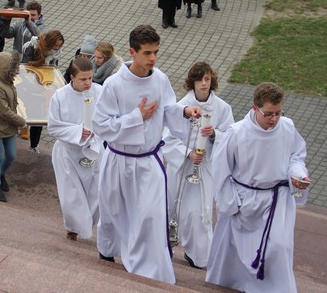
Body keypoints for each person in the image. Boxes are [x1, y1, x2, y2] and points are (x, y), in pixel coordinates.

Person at [92, 24, 201, 283]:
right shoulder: (114, 84)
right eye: (148, 53)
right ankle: (108, 252)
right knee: (113, 211)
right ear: (133, 51)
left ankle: (149, 267)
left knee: (151, 215)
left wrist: (183, 112)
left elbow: (169, 110)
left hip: (148, 161)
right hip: (119, 158)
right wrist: (135, 117)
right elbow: (100, 125)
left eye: (156, 52)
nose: (153, 58)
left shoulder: (160, 78)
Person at [206, 82, 311, 292]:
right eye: (269, 114)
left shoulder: (287, 127)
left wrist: (298, 175)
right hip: (244, 200)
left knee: (278, 247)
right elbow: (221, 171)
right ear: (255, 108)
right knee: (234, 251)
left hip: (276, 200)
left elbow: (296, 156)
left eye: (278, 113)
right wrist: (230, 204)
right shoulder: (236, 133)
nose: (274, 119)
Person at [161, 62, 234, 269]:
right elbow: (167, 138)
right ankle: (167, 244)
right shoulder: (181, 106)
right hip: (181, 168)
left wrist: (213, 135)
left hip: (204, 170)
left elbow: (229, 138)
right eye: (200, 79)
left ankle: (198, 255)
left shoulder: (222, 108)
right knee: (173, 209)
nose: (204, 83)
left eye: (208, 79)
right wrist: (188, 153)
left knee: (198, 213)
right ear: (192, 81)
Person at [49, 57, 103, 240]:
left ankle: (89, 224)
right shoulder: (60, 96)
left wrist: (95, 132)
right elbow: (53, 127)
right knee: (72, 194)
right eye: (83, 79)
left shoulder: (100, 92)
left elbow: (109, 118)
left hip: (94, 150)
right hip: (68, 153)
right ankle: (73, 228)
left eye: (90, 78)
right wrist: (79, 132)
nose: (88, 83)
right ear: (72, 77)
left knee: (95, 192)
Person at [0, 50, 26, 202]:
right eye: (13, 68)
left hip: (7, 126)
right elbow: (4, 112)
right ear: (5, 69)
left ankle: (1, 175)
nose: (16, 71)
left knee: (11, 155)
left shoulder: (6, 80)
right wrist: (22, 121)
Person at [21, 29, 65, 153]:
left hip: (42, 86)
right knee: (25, 112)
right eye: (55, 45)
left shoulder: (55, 52)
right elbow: (25, 67)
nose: (57, 48)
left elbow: (53, 68)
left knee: (38, 117)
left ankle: (34, 145)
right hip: (28, 85)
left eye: (59, 46)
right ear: (49, 43)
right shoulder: (32, 47)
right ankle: (23, 127)